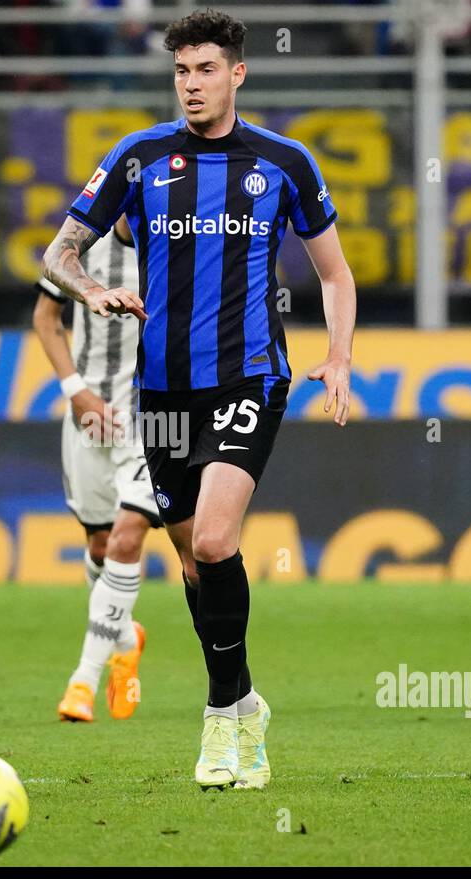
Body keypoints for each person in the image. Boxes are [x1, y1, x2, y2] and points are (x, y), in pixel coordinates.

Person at [41, 9, 356, 788]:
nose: (191, 84)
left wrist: (339, 357)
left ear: (237, 74)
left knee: (215, 542)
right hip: (164, 392)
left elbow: (336, 275)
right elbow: (59, 254)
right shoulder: (138, 157)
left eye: (206, 69)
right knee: (191, 562)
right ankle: (245, 700)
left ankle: (220, 726)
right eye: (181, 71)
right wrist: (90, 290)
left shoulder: (283, 162)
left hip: (250, 378)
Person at [32, 214, 158, 723]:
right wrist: (76, 391)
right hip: (87, 414)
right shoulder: (82, 246)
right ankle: (126, 639)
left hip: (153, 421)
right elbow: (46, 318)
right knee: (101, 546)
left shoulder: (174, 250)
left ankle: (82, 682)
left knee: (128, 537)